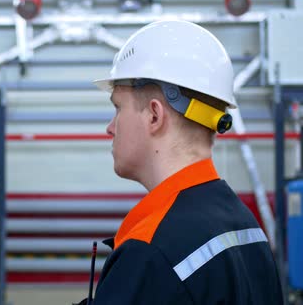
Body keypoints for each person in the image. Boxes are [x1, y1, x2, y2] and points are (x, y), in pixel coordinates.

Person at [80, 20, 283, 304]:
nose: (110, 127)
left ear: (154, 115)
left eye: (118, 108)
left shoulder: (150, 252)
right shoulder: (247, 228)